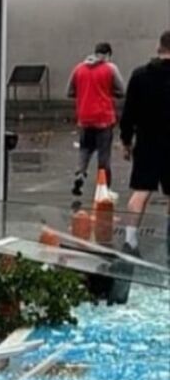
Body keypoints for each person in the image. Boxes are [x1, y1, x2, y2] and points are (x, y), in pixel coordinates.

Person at [119, 31, 170, 251]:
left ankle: (130, 240)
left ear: (160, 48)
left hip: (147, 143)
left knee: (140, 192)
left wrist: (126, 141)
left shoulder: (140, 75)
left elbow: (128, 113)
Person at [67, 42, 125, 196]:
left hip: (85, 118)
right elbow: (121, 91)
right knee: (103, 156)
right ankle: (103, 189)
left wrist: (84, 94)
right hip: (104, 118)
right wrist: (108, 92)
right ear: (108, 55)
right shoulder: (110, 69)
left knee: (85, 149)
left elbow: (70, 92)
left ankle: (80, 173)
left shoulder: (79, 68)